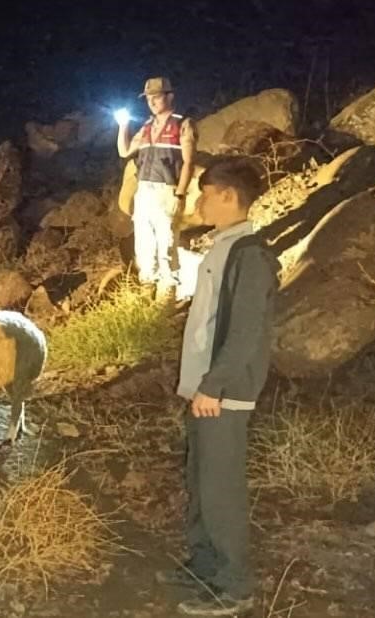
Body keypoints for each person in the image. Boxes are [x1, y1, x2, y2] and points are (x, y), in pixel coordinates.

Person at [158, 159, 279, 616]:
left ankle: (234, 585)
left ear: (228, 196)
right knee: (200, 480)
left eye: (205, 193)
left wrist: (214, 384)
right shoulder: (224, 247)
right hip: (205, 389)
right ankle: (204, 566)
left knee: (220, 487)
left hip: (222, 393)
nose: (198, 201)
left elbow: (246, 332)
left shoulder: (249, 255)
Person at [117, 76, 197, 301]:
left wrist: (179, 194)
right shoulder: (146, 127)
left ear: (169, 96)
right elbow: (124, 152)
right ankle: (146, 288)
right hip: (144, 190)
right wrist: (123, 125)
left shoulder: (183, 124)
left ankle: (167, 294)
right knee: (144, 243)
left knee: (167, 242)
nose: (151, 101)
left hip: (166, 190)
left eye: (157, 96)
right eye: (148, 98)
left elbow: (189, 162)